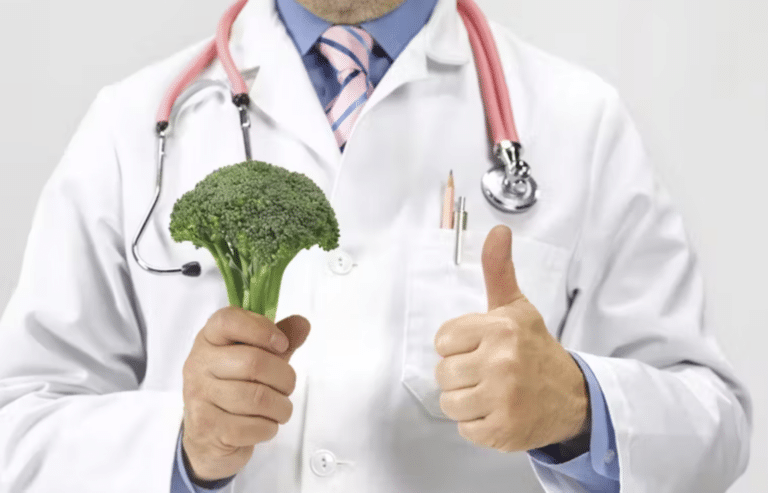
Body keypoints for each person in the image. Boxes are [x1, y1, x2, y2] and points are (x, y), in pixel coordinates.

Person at [0, 0, 752, 491]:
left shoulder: (578, 122)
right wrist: (181, 440)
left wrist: (580, 409)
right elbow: (19, 429)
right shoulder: (132, 127)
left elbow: (715, 425)